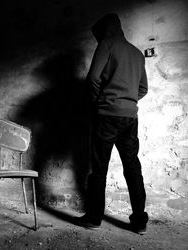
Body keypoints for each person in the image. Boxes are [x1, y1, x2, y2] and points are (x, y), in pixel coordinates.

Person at [75, 13, 149, 234]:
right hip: (130, 117)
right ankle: (139, 222)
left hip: (107, 116)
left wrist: (102, 102)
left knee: (99, 168)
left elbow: (92, 78)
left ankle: (94, 218)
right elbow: (143, 88)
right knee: (132, 167)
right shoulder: (137, 53)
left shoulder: (107, 44)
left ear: (105, 31)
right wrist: (127, 100)